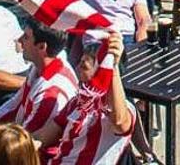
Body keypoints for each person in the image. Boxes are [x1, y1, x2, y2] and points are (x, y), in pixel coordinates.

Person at [0, 17, 78, 154]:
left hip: (32, 154)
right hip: (19, 139)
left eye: (26, 37)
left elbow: (24, 146)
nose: (20, 40)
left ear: (42, 47)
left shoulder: (50, 95)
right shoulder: (42, 67)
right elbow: (14, 105)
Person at [46, 32, 135, 165]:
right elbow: (46, 134)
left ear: (101, 72)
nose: (76, 70)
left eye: (83, 66)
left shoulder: (125, 109)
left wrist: (112, 66)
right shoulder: (77, 102)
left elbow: (120, 121)